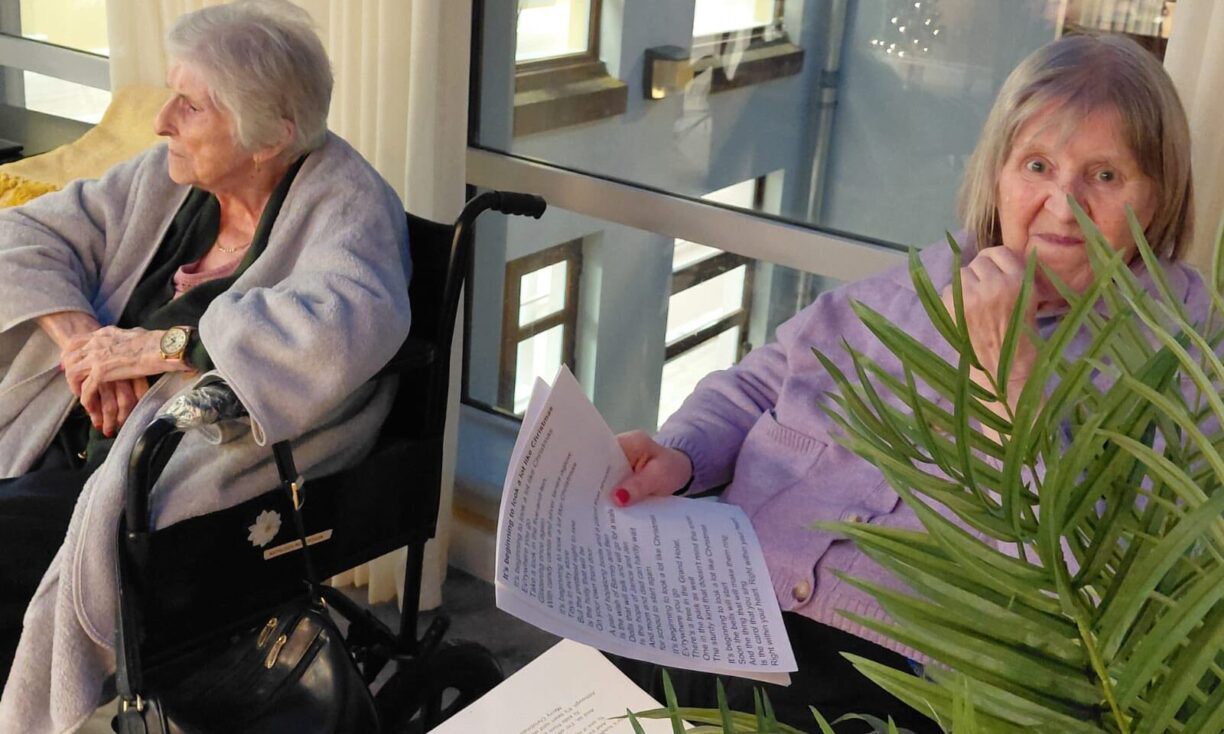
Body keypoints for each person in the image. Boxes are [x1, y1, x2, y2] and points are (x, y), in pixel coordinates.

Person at [610, 32, 1199, 732]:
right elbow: (757, 387)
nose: (1061, 204)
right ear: (997, 175)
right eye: (1037, 165)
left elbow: (1100, 596)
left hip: (881, 674)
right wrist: (681, 455)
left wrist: (1011, 382)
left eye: (1105, 176)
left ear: (1158, 196)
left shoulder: (1181, 358)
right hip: (724, 589)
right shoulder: (932, 277)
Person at [0, 1, 411, 730]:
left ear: (268, 136)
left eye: (188, 106)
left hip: (169, 485)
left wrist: (158, 349)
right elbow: (24, 231)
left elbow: (342, 328)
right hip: (68, 442)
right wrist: (85, 344)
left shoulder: (346, 205)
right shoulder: (167, 178)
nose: (161, 120)